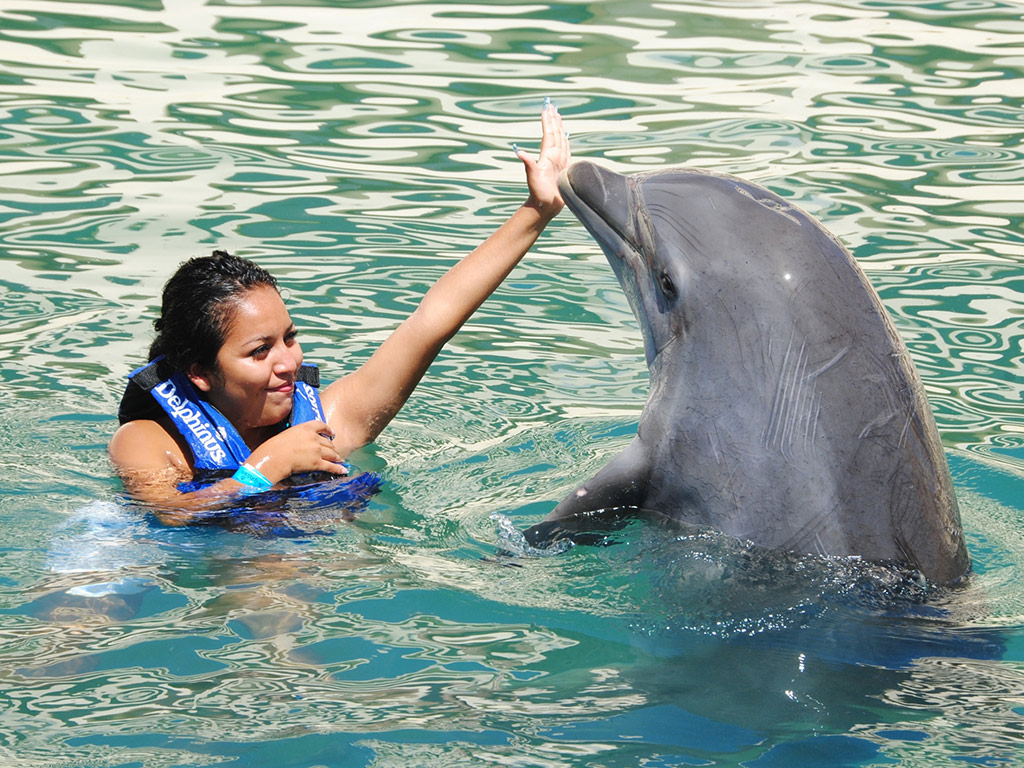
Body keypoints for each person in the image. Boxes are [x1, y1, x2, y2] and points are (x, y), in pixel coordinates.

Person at [108, 104, 570, 520]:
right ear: (200, 373)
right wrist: (267, 467)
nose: (288, 362)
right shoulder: (149, 442)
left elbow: (431, 321)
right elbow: (172, 515)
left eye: (289, 337)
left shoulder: (327, 425)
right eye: (259, 351)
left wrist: (538, 210)